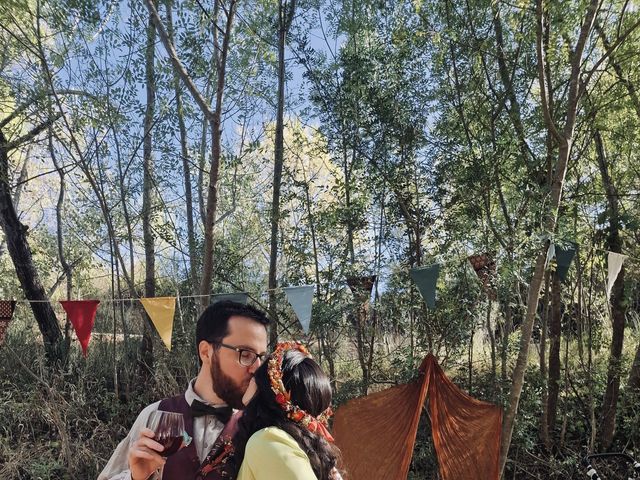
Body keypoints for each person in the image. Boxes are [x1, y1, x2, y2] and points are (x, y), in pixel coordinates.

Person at [99, 300, 270, 480]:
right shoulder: (154, 415)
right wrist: (136, 478)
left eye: (261, 357)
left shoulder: (261, 427)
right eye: (246, 354)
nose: (257, 368)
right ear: (206, 352)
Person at [233, 341, 343, 480]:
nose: (253, 372)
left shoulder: (269, 441)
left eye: (260, 375)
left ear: (272, 390)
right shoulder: (298, 443)